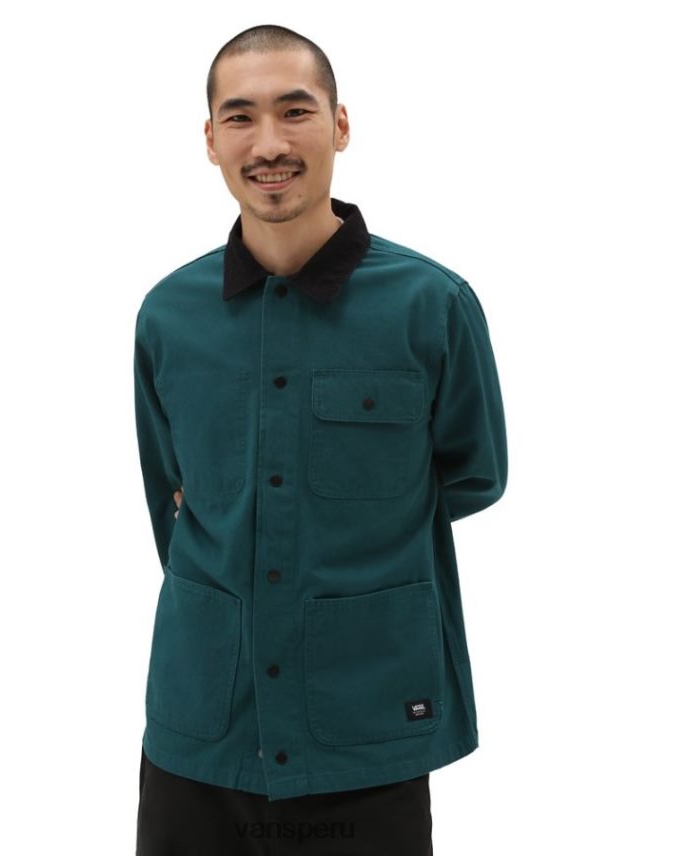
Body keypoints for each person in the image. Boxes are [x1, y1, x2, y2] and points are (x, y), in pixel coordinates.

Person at [133, 23, 508, 856]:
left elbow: (474, 474)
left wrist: (344, 534)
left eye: (294, 111)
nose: (268, 143)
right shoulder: (167, 317)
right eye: (240, 116)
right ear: (210, 140)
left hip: (365, 724)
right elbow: (172, 496)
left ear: (340, 125)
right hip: (202, 729)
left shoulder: (431, 305)